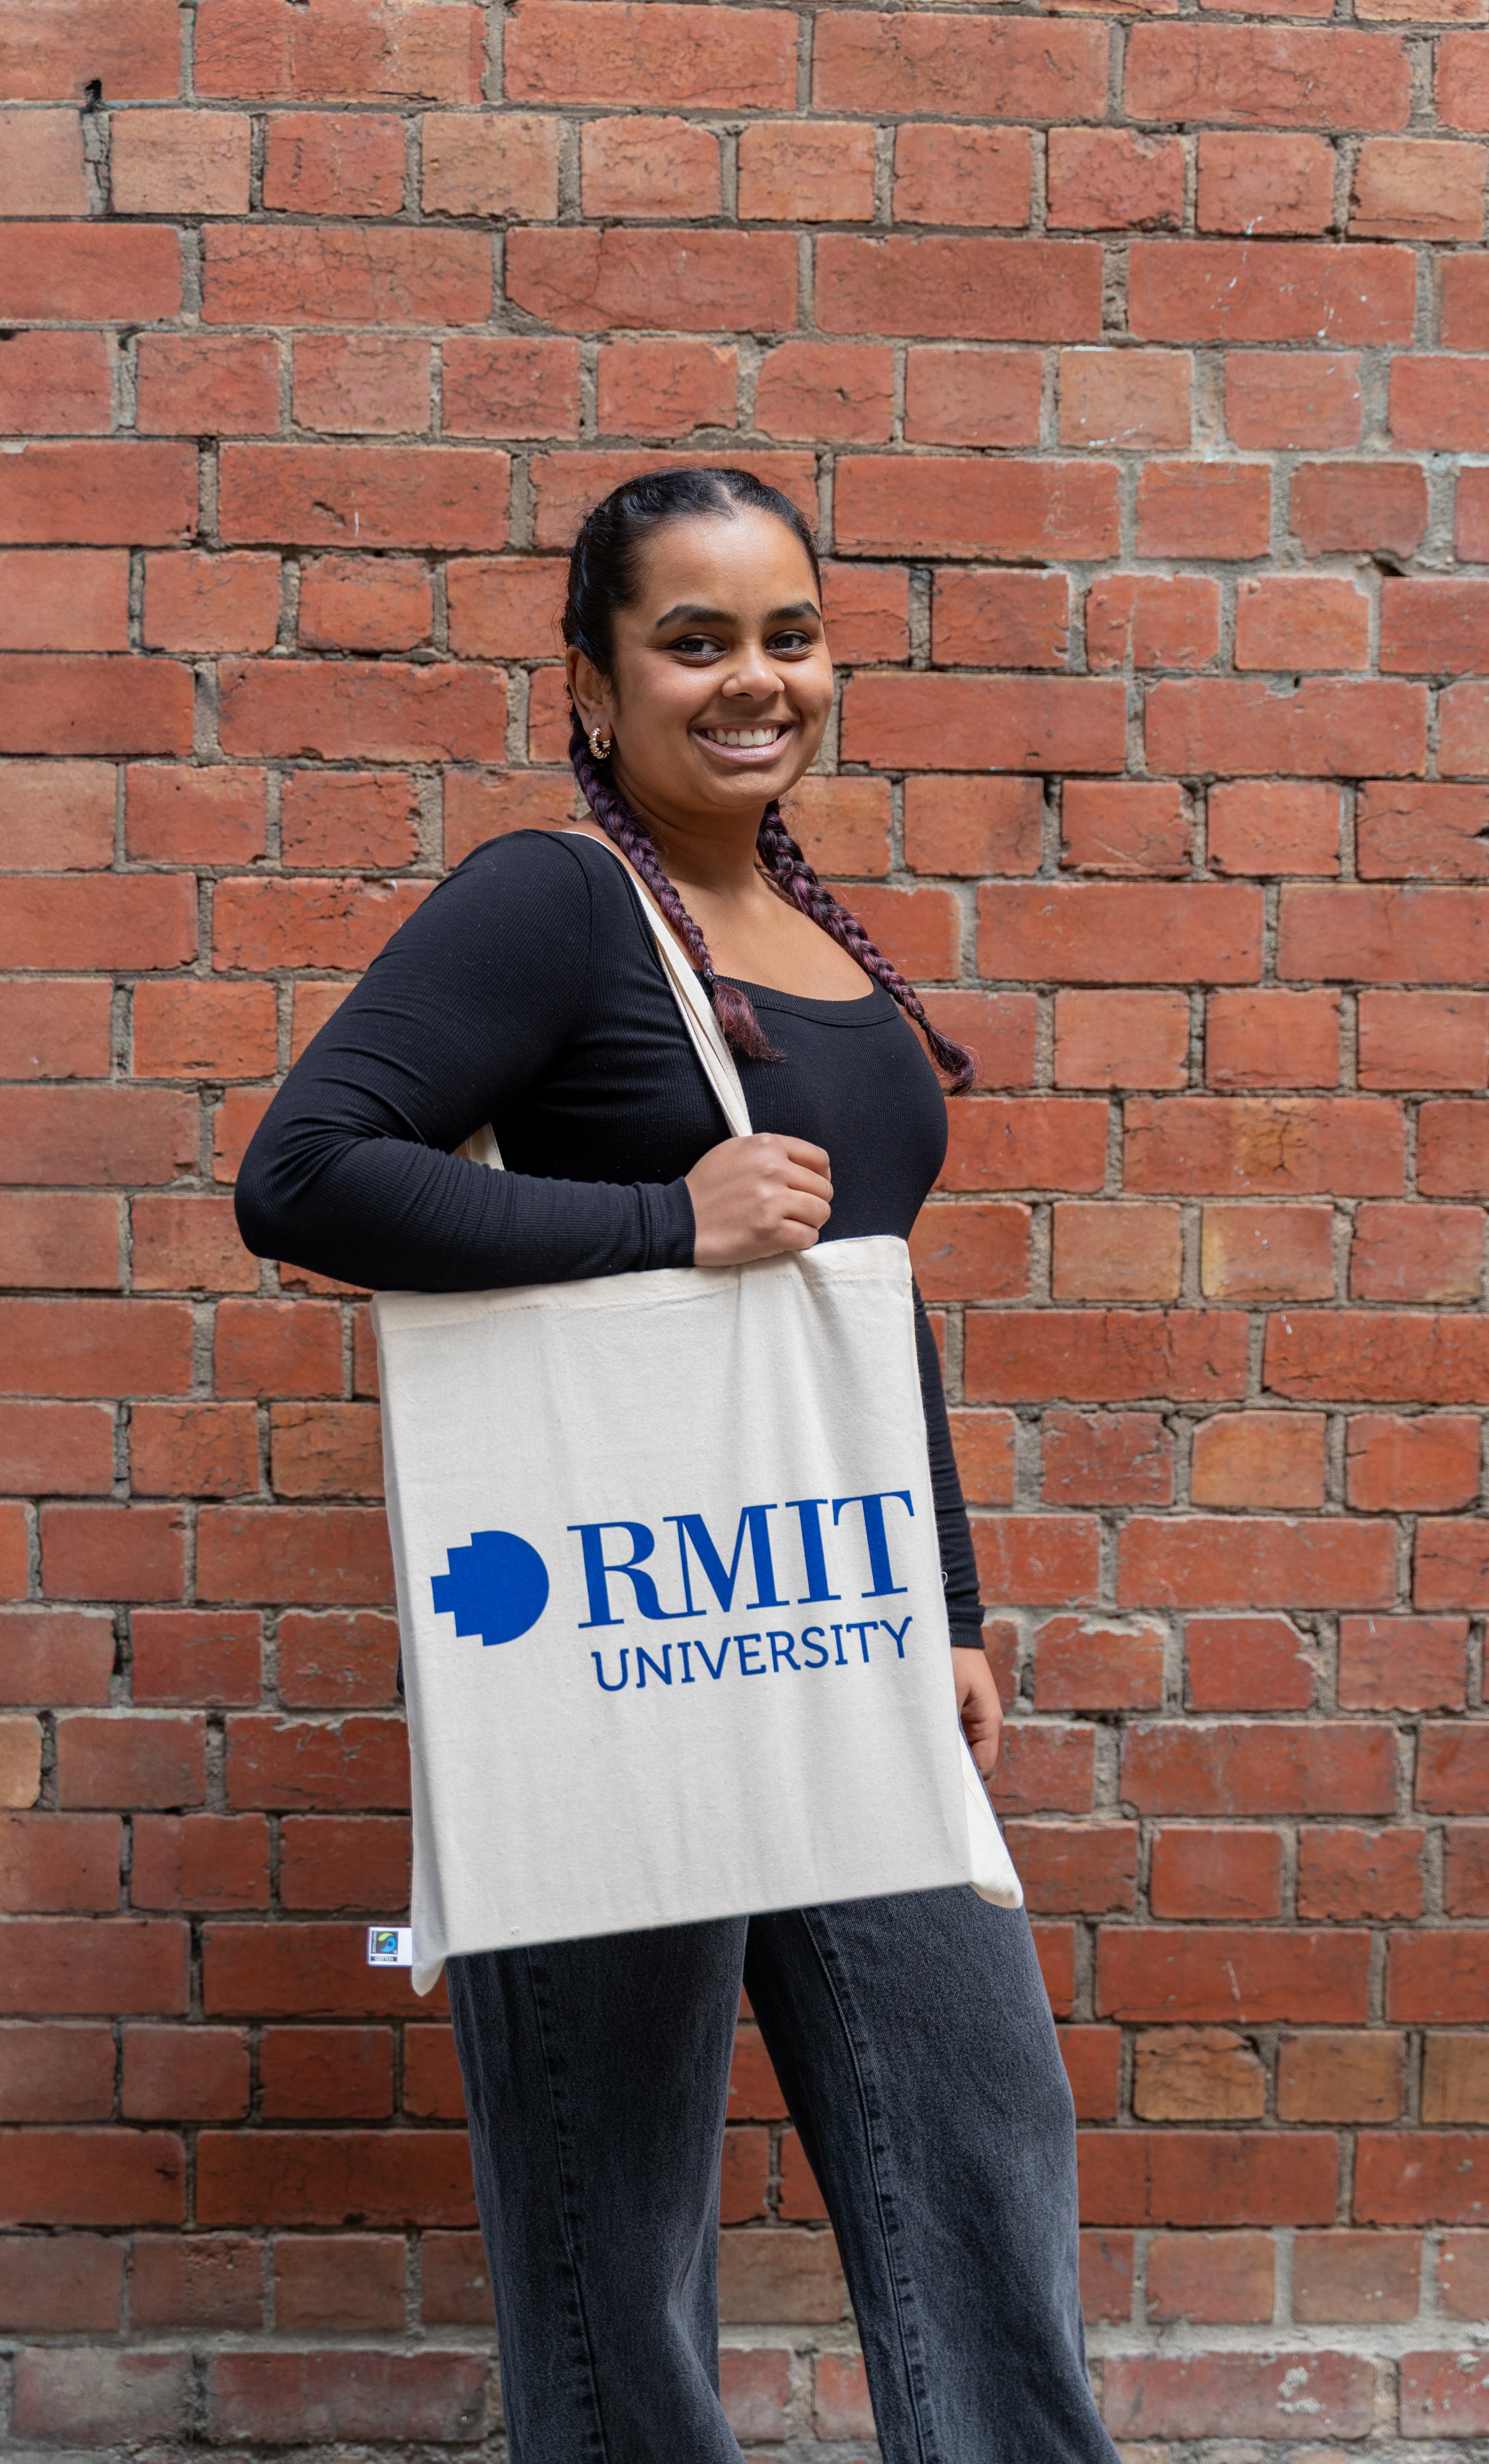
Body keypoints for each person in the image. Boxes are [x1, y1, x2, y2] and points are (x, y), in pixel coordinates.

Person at [236, 467, 1120, 2464]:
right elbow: (300, 1177)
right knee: (610, 2217)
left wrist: (949, 1612)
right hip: (608, 1643)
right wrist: (664, 1223)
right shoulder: (550, 902)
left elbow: (856, 1312)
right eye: (695, 640)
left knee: (981, 2136)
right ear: (596, 675)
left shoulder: (803, 925)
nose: (754, 680)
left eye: (787, 634)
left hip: (833, 1618)